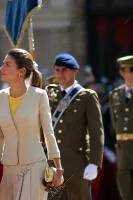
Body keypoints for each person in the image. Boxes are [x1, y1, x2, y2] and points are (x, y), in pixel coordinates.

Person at [0, 48, 63, 200]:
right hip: (8, 169)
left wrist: (59, 167)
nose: (1, 68)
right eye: (2, 64)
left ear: (21, 72)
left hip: (34, 167)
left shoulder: (39, 96)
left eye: (7, 64)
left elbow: (49, 133)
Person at [46, 53, 104, 200]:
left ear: (74, 71)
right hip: (52, 163)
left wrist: (94, 162)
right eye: (57, 70)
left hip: (76, 163)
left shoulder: (86, 96)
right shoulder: (50, 93)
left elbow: (96, 131)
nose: (60, 74)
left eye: (64, 70)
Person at [109, 55, 133, 200]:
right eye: (131, 69)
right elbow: (115, 122)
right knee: (126, 195)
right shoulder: (115, 94)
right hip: (124, 153)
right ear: (122, 72)